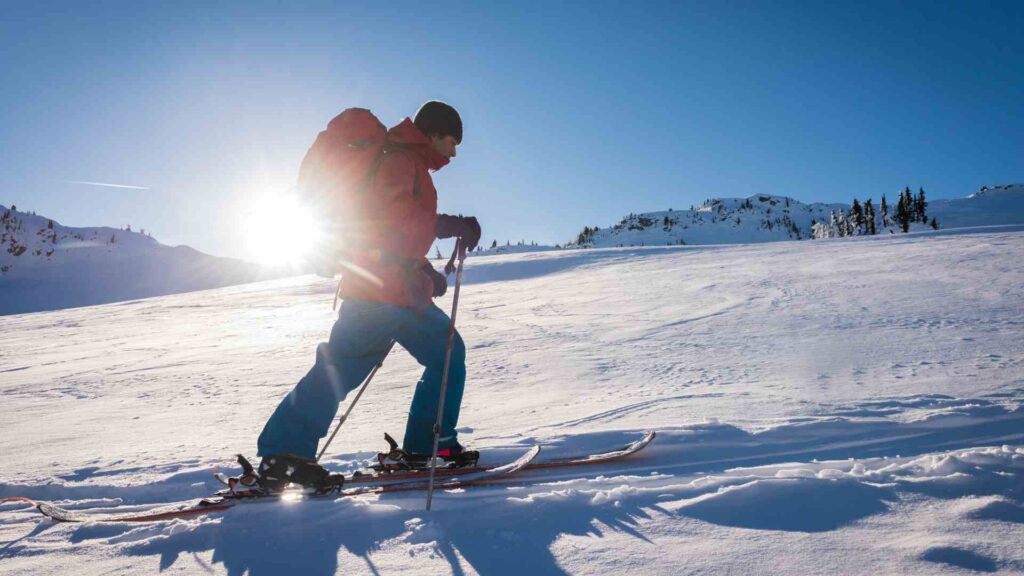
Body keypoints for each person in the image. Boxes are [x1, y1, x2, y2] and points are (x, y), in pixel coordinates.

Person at [253, 101, 481, 491]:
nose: (454, 153)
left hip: (394, 291)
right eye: (451, 141)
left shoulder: (407, 161)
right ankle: (284, 456)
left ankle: (428, 446)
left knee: (444, 352)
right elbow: (391, 224)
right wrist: (448, 225)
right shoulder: (400, 160)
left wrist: (422, 270)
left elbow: (391, 239)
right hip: (379, 295)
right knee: (342, 367)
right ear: (433, 134)